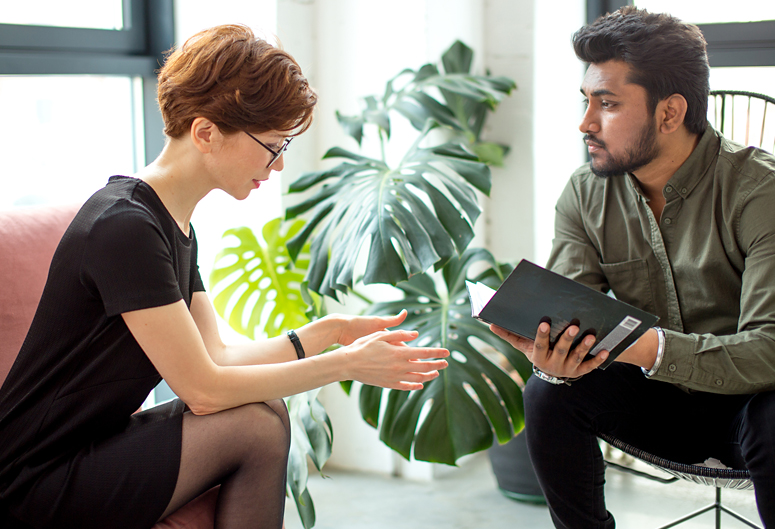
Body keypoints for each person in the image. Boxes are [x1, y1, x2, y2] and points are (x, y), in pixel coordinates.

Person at [0, 24, 449, 529]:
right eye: (272, 146)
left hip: (86, 448)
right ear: (206, 132)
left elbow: (217, 358)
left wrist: (328, 334)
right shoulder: (124, 227)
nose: (277, 166)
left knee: (264, 414)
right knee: (254, 426)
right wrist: (344, 365)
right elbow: (204, 391)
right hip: (29, 478)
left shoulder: (171, 223)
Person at [489, 7, 775, 528]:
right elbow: (573, 312)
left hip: (750, 412)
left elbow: (770, 349)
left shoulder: (761, 193)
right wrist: (554, 354)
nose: (586, 123)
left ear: (669, 113)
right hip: (659, 405)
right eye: (587, 102)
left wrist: (646, 347)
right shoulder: (585, 192)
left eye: (609, 104)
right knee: (548, 393)